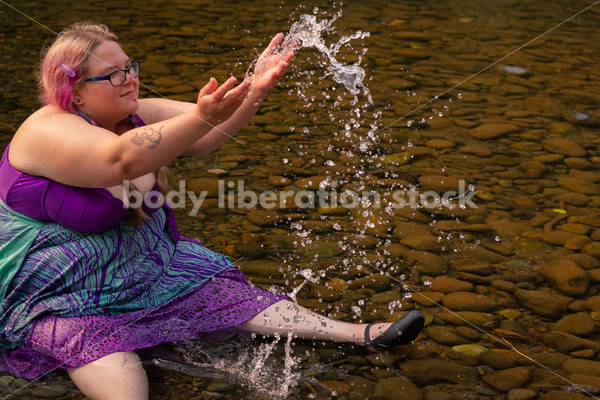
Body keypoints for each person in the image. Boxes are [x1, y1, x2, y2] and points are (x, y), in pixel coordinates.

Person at [0, 21, 424, 400]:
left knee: (225, 293)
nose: (129, 79)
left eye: (131, 67)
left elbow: (207, 130)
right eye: (113, 75)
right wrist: (201, 117)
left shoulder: (134, 113)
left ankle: (364, 335)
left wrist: (255, 91)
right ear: (73, 89)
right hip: (57, 290)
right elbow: (120, 160)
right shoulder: (46, 129)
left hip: (138, 261)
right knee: (101, 347)